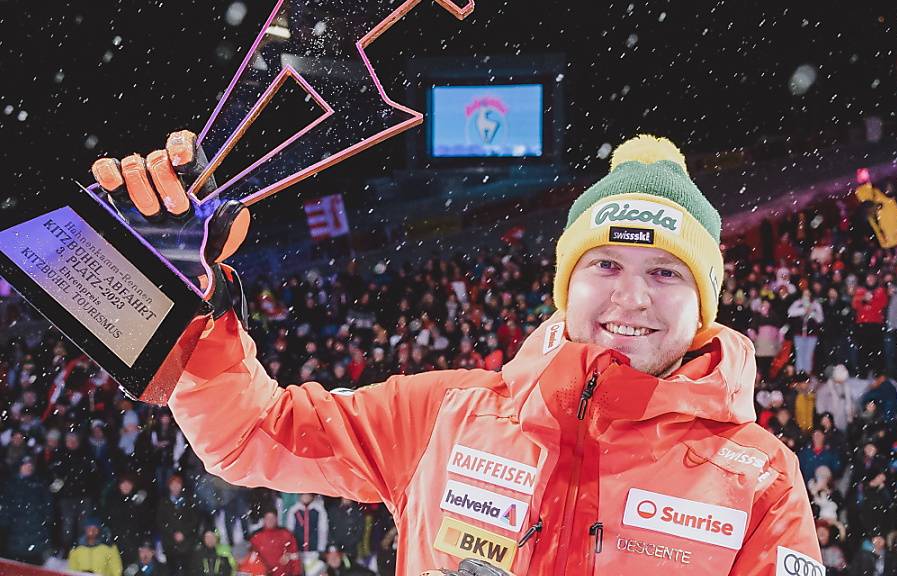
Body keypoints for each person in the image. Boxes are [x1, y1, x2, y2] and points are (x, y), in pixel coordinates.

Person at [92, 133, 821, 574]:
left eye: (665, 273)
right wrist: (181, 301)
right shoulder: (448, 414)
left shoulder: (760, 479)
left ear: (704, 306)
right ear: (566, 283)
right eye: (604, 266)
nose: (630, 300)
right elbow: (253, 435)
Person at [0, 456, 52, 565]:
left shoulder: (38, 483)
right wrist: (4, 520)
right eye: (25, 466)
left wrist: (46, 515)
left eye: (30, 466)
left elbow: (47, 501)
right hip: (16, 527)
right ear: (19, 467)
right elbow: (5, 504)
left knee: (34, 560)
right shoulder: (11, 483)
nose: (28, 468)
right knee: (15, 561)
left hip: (35, 526)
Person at [249, 511, 302, 576]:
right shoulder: (256, 537)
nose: (270, 521)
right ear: (264, 520)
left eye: (272, 518)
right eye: (268, 518)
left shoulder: (286, 534)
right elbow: (250, 559)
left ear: (276, 519)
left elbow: (295, 555)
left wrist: (296, 573)